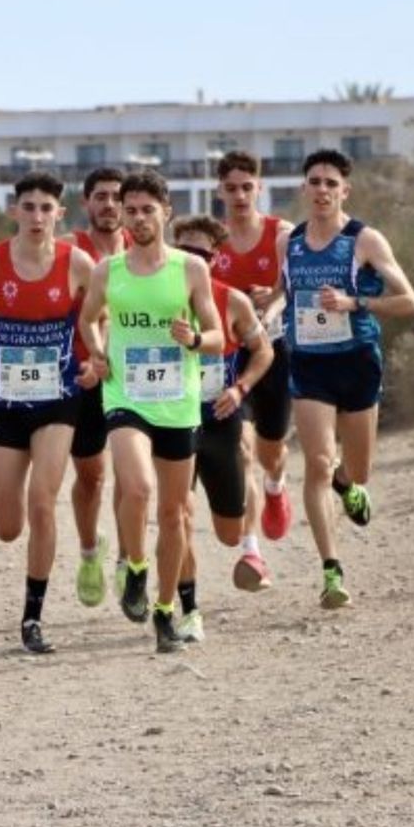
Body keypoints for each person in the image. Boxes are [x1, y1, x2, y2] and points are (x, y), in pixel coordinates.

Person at [78, 170, 226, 654]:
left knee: (174, 513)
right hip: (125, 396)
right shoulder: (108, 271)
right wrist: (98, 351)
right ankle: (137, 568)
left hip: (178, 404)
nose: (139, 218)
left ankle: (165, 611)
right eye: (131, 211)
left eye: (148, 210)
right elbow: (87, 319)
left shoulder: (190, 268)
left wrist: (195, 339)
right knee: (138, 487)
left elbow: (218, 337)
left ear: (166, 212)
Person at [0, 171, 96, 654]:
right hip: (4, 401)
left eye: (46, 208)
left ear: (60, 214)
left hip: (59, 398)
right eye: (29, 207)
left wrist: (97, 357)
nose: (37, 216)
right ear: (15, 211)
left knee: (42, 501)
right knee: (8, 526)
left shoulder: (77, 263)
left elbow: (102, 314)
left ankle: (32, 617)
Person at [277, 149, 414, 608]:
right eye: (314, 182)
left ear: (345, 191)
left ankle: (346, 483)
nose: (322, 190)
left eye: (330, 183)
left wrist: (354, 303)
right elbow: (285, 293)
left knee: (358, 471)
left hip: (357, 360)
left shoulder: (365, 240)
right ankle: (331, 570)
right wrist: (267, 305)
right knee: (316, 463)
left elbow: (410, 302)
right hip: (309, 364)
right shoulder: (289, 243)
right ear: (304, 188)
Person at [169, 215, 273, 641]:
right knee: (178, 513)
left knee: (228, 532)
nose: (193, 260)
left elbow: (263, 351)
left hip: (219, 421)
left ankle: (248, 542)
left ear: (215, 258)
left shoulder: (232, 301)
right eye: (185, 251)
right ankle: (189, 609)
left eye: (202, 254)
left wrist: (240, 387)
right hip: (172, 422)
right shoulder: (156, 298)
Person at [212, 151, 293, 588]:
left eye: (247, 187)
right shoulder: (214, 241)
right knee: (241, 451)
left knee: (269, 452)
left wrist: (273, 301)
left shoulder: (281, 234)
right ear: (219, 191)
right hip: (230, 357)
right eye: (231, 188)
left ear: (259, 188)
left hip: (272, 350)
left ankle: (276, 486)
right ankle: (252, 552)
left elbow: (295, 287)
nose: (240, 195)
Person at [65, 168, 131, 608]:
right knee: (91, 477)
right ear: (86, 203)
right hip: (84, 374)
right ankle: (90, 552)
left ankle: (128, 560)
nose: (110, 205)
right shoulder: (70, 251)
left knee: (130, 472)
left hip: (134, 377)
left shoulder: (143, 250)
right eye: (101, 196)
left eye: (117, 197)